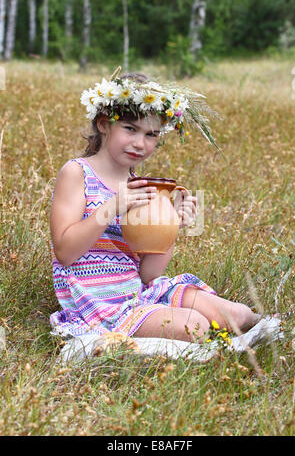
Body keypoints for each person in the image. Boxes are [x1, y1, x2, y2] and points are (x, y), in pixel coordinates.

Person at [49, 69, 261, 344]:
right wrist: (111, 207)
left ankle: (269, 329)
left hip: (137, 292)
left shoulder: (139, 187)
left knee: (234, 314)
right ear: (103, 124)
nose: (140, 143)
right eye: (130, 129)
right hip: (99, 302)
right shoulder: (77, 173)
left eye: (151, 135)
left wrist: (170, 225)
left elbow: (148, 273)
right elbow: (65, 252)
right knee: (195, 325)